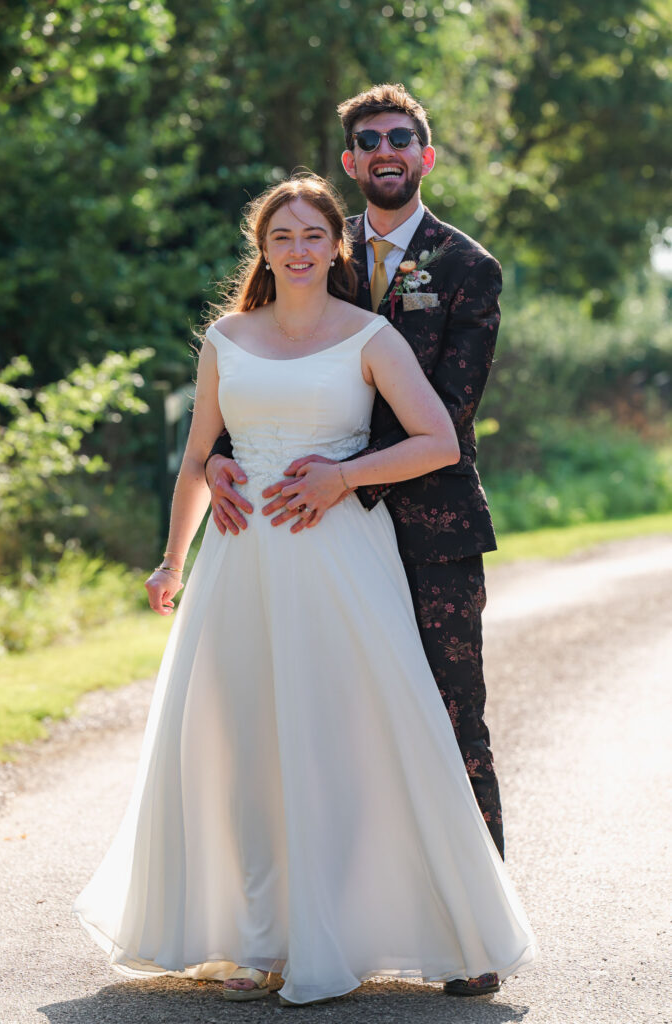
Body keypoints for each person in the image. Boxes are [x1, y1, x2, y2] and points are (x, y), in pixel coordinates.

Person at [73, 173, 536, 1007]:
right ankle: (258, 942)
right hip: (240, 567)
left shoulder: (369, 337)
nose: (297, 249)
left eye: (313, 236)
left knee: (340, 742)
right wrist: (173, 560)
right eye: (282, 236)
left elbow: (435, 439)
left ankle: (343, 929)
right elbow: (196, 458)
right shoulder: (226, 338)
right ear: (263, 247)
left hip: (339, 560)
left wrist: (345, 476)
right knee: (242, 743)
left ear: (336, 247)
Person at [205, 83, 507, 996]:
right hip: (305, 532)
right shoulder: (321, 250)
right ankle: (332, 917)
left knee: (448, 714)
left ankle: (471, 934)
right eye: (369, 139)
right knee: (321, 722)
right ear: (349, 160)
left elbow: (445, 410)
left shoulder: (467, 267)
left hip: (428, 527)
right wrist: (228, 453)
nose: (385, 150)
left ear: (425, 152)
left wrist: (338, 473)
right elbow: (281, 365)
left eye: (401, 138)